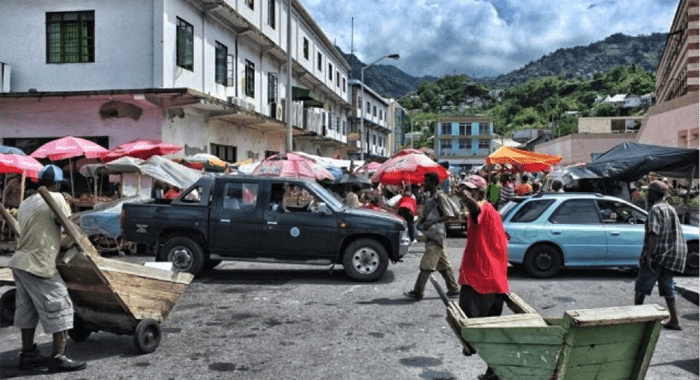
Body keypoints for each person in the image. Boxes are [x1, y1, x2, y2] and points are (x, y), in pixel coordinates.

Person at [8, 165, 87, 372]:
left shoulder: (26, 202)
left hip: (21, 262)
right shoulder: (57, 199)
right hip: (39, 263)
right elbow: (69, 227)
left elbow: (42, 230)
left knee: (28, 309)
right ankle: (58, 356)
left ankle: (28, 354)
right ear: (58, 184)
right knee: (61, 303)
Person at [455, 174, 509, 380]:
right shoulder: (493, 212)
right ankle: (493, 371)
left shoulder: (484, 209)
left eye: (470, 190)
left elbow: (475, 209)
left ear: (480, 193)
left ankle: (476, 351)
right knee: (490, 332)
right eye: (464, 189)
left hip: (481, 281)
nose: (466, 193)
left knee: (475, 332)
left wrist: (467, 199)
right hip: (493, 281)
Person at [634, 180, 687, 331]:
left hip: (658, 254)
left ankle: (636, 319)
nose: (646, 194)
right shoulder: (670, 208)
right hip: (670, 255)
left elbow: (653, 234)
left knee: (641, 286)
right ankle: (674, 320)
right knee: (667, 286)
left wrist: (649, 255)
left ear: (653, 194)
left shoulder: (655, 210)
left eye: (648, 192)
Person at [404, 172, 461, 300]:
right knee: (444, 265)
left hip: (436, 235)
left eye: (427, 181)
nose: (425, 184)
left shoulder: (440, 197)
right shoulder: (429, 197)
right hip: (432, 235)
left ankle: (418, 291)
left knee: (426, 265)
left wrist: (431, 222)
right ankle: (453, 289)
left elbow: (449, 215)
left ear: (434, 183)